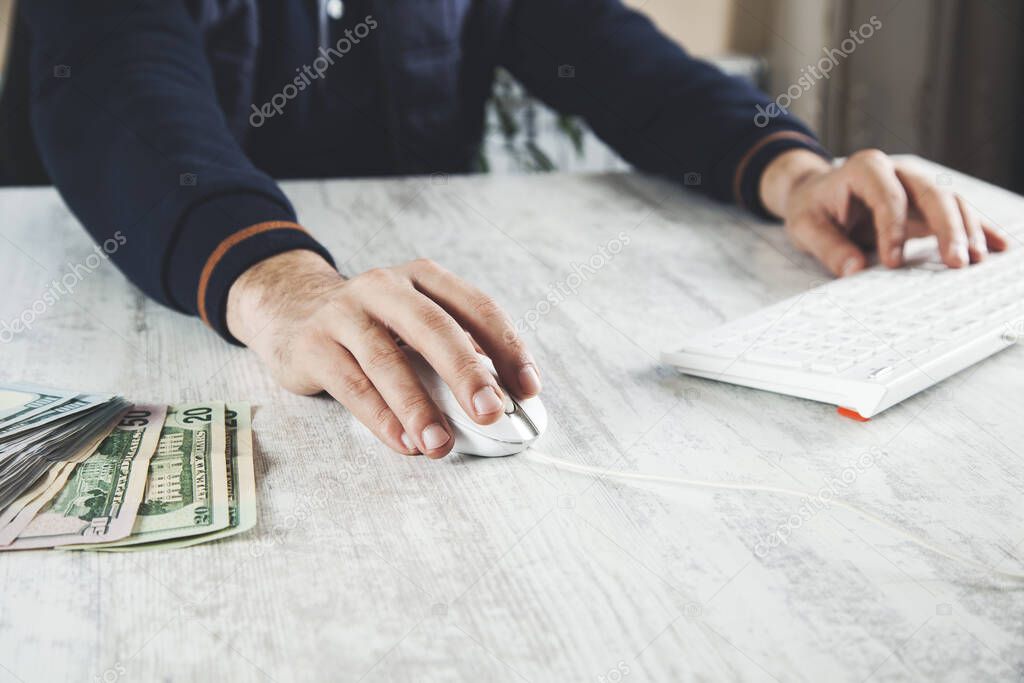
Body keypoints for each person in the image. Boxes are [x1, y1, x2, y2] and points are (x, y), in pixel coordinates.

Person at [0, 1, 1007, 459]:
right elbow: (117, 86)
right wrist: (278, 283)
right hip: (115, 313)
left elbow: (611, 55)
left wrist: (793, 170)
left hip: (398, 321)